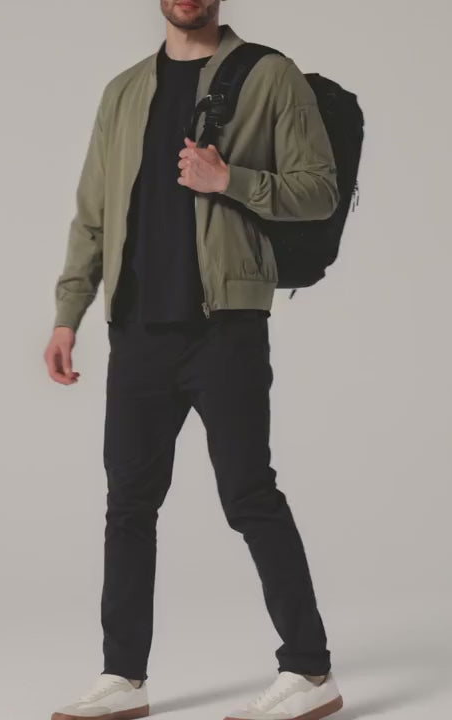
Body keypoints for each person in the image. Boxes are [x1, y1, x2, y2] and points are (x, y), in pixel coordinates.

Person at [44, 2, 343, 719]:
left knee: (249, 495)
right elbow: (93, 213)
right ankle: (124, 677)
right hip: (138, 330)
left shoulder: (269, 76)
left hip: (224, 327)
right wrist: (67, 313)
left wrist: (228, 179)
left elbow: (320, 191)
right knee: (128, 505)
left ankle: (310, 672)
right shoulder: (124, 91)